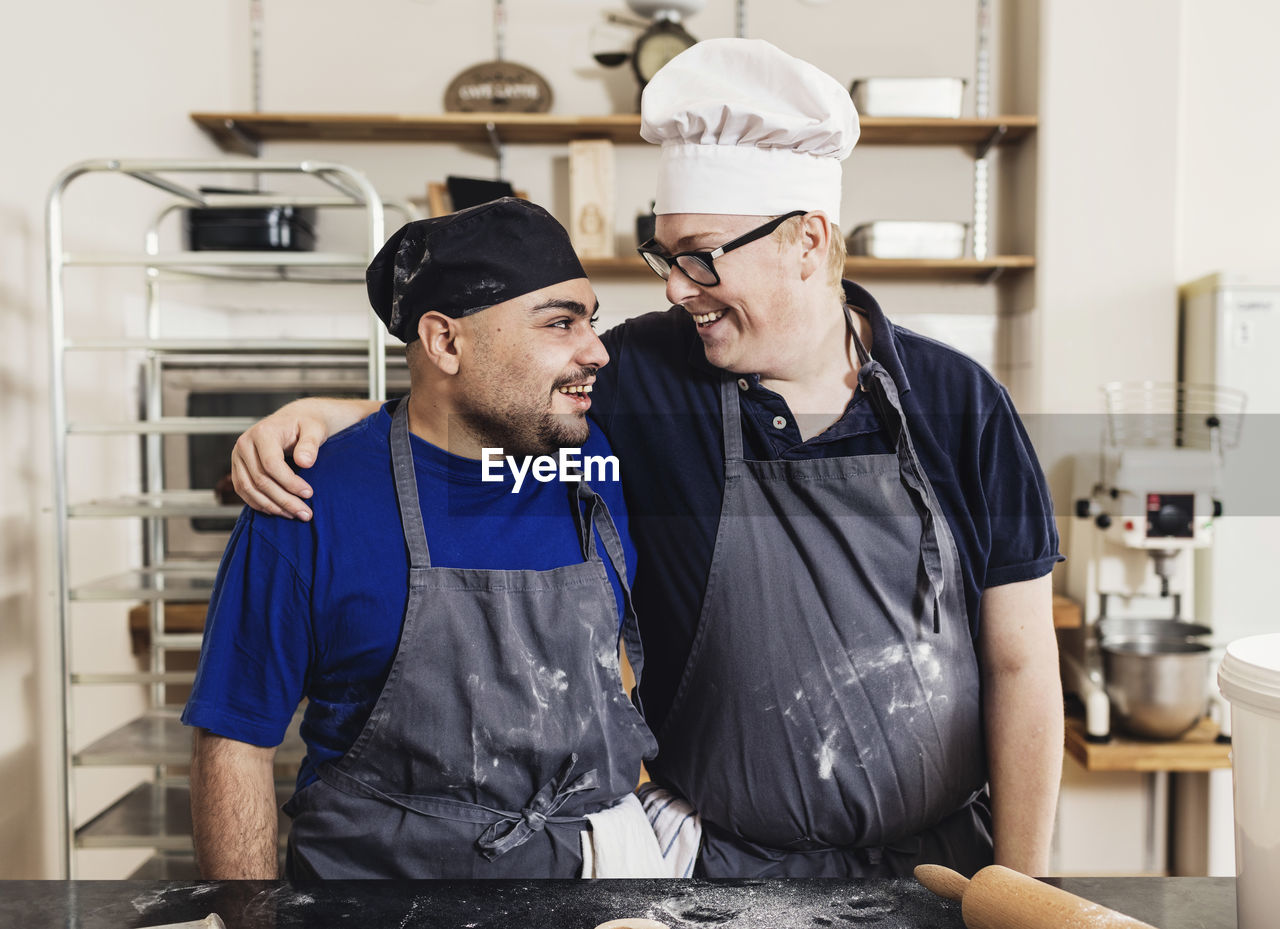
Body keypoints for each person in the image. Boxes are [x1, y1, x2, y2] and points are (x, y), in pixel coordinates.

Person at [229, 39, 1064, 878]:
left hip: (949, 871)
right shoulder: (649, 376)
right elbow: (489, 399)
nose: (673, 287)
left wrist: (1019, 892)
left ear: (807, 241)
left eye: (700, 255)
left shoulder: (961, 402)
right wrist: (335, 417)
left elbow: (1022, 662)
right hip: (728, 877)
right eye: (665, 258)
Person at [183, 198, 661, 879]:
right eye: (560, 322)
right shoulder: (308, 502)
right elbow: (234, 740)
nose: (597, 350)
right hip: (385, 892)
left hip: (593, 882)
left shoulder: (589, 454)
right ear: (444, 342)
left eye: (591, 319)